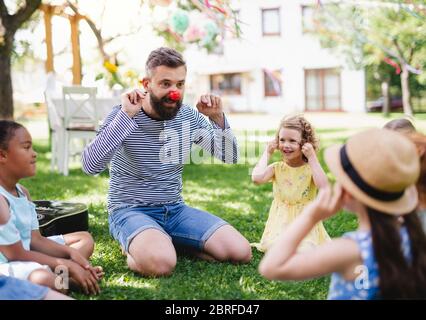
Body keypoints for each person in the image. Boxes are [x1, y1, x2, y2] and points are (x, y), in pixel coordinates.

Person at [82, 47, 251, 277]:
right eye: (165, 84)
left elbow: (229, 156)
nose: (174, 92)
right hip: (129, 210)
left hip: (175, 209)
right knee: (161, 264)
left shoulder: (188, 117)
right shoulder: (124, 113)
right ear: (146, 83)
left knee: (240, 252)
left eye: (179, 84)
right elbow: (90, 166)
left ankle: (162, 241)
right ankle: (140, 244)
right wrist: (125, 117)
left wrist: (217, 118)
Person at [259, 128, 426, 299]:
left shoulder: (349, 250)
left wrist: (310, 217)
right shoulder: (411, 234)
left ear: (348, 192)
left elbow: (271, 267)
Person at [0, 120, 103, 295]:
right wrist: (64, 264)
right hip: (8, 263)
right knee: (43, 280)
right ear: (2, 155)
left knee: (83, 239)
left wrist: (71, 254)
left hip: (28, 254)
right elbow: (15, 254)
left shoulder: (23, 193)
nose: (34, 154)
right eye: (26, 148)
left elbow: (36, 240)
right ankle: (66, 281)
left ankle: (60, 276)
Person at [251, 114, 330, 252]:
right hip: (281, 223)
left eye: (292, 141)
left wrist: (312, 158)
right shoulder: (277, 168)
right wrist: (267, 153)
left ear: (305, 143)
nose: (286, 145)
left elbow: (323, 187)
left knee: (305, 248)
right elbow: (256, 178)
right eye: (282, 140)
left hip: (305, 222)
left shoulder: (311, 168)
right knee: (276, 247)